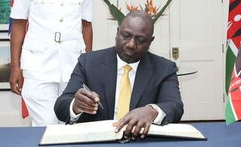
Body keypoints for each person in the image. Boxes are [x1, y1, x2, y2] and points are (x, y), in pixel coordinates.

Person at [9, 0, 94, 126]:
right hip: (39, 65)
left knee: (71, 123)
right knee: (45, 124)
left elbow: (87, 26)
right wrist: (14, 66)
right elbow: (19, 24)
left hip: (73, 64)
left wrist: (89, 65)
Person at [54, 11, 183, 139]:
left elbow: (175, 106)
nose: (131, 44)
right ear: (117, 33)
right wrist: (76, 106)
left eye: (140, 40)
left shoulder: (164, 68)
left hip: (140, 141)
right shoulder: (88, 62)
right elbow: (61, 105)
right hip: (97, 141)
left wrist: (152, 111)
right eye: (126, 36)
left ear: (150, 42)